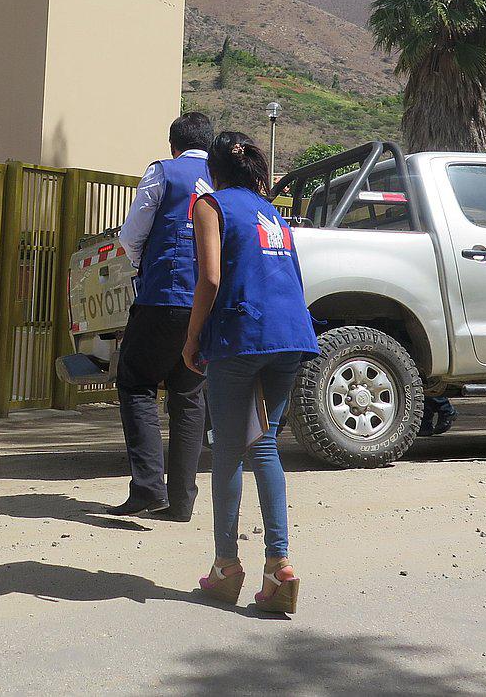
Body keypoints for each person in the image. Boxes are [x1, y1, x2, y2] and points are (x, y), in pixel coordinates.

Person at [182, 131, 318, 615]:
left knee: (228, 450)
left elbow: (211, 277)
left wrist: (193, 337)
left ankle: (226, 567)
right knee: (264, 446)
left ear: (212, 171)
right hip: (289, 334)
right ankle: (279, 566)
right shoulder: (273, 212)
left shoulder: (209, 205)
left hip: (240, 334)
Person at [109, 112, 214, 520]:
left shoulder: (163, 172)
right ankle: (182, 501)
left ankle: (148, 488)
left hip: (163, 297)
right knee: (188, 396)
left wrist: (143, 266)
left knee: (136, 383)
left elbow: (132, 234)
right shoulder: (223, 179)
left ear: (173, 145)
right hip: (206, 303)